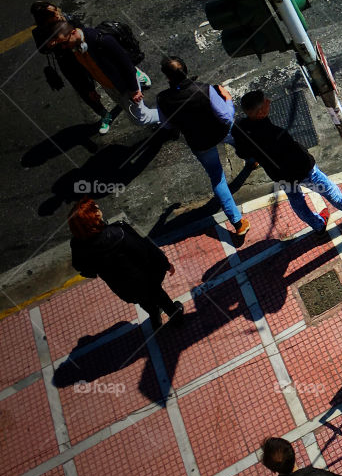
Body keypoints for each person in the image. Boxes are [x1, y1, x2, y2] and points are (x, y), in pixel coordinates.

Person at [232, 89, 342, 235]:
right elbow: (296, 154)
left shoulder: (241, 129)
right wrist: (308, 160)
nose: (269, 101)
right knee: (330, 191)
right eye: (265, 101)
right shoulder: (276, 134)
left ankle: (318, 225)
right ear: (260, 113)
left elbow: (242, 153)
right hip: (304, 172)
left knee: (297, 202)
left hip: (279, 175)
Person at [155, 56, 250, 242]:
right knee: (241, 143)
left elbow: (166, 125)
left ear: (167, 77)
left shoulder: (163, 99)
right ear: (186, 69)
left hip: (199, 143)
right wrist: (228, 100)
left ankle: (238, 224)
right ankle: (252, 160)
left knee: (217, 178)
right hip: (220, 131)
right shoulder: (205, 89)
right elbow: (226, 117)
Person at [69, 200, 184, 330]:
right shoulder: (119, 232)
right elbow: (145, 250)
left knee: (144, 301)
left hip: (123, 287)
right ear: (94, 218)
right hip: (145, 278)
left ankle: (155, 317)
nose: (99, 209)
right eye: (96, 209)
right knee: (160, 296)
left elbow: (85, 270)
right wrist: (165, 264)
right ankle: (176, 317)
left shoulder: (78, 246)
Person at [49, 21, 156, 132]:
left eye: (65, 43)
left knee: (140, 118)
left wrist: (134, 90)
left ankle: (167, 115)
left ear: (74, 32)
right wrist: (90, 90)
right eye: (61, 45)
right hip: (110, 87)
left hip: (124, 86)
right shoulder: (74, 48)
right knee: (135, 114)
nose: (64, 47)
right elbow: (85, 69)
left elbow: (127, 65)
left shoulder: (101, 40)